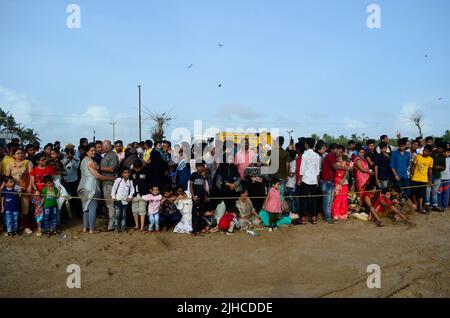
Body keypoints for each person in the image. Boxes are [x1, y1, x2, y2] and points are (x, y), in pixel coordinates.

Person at [77, 143, 115, 234]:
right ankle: (92, 229)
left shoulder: (83, 160)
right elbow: (98, 176)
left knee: (85, 208)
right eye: (91, 150)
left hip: (83, 186)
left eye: (94, 150)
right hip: (91, 187)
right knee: (92, 208)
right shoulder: (91, 161)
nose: (93, 152)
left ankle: (85, 228)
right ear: (87, 152)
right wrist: (111, 178)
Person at [6, 147, 33, 234]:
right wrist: (11, 188)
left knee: (25, 207)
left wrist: (29, 186)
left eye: (21, 153)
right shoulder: (9, 165)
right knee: (14, 208)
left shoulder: (28, 163)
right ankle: (15, 227)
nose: (20, 155)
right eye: (18, 153)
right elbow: (7, 178)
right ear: (13, 155)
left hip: (25, 188)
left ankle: (26, 226)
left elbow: (32, 176)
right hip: (13, 190)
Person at [320, 144, 345, 223]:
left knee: (327, 199)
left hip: (327, 180)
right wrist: (347, 168)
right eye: (338, 150)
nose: (339, 153)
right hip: (328, 181)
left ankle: (327, 215)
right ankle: (328, 217)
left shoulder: (330, 156)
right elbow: (335, 167)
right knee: (328, 200)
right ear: (334, 149)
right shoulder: (330, 156)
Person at [299, 138, 321, 225]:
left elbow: (302, 168)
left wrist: (300, 179)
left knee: (304, 198)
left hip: (305, 179)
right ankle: (314, 218)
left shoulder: (304, 155)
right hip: (314, 179)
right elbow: (317, 169)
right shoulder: (317, 155)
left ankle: (303, 218)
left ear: (307, 145)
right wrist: (317, 180)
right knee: (313, 199)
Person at [99, 140, 119, 231]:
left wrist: (99, 167)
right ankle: (111, 222)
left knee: (110, 204)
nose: (105, 147)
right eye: (104, 145)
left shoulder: (113, 156)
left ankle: (112, 225)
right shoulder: (106, 155)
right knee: (108, 204)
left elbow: (111, 169)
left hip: (110, 183)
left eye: (107, 145)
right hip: (105, 183)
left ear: (110, 146)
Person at [410, 145, 434, 213]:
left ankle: (420, 208)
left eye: (426, 151)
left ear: (430, 152)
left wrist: (429, 180)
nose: (424, 152)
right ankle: (416, 205)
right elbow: (413, 166)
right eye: (424, 150)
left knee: (421, 194)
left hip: (424, 179)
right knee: (413, 193)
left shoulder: (431, 159)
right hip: (415, 178)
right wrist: (412, 175)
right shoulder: (418, 156)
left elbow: (430, 171)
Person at [111, 167, 134, 233]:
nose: (127, 174)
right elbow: (114, 188)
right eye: (125, 173)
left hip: (125, 202)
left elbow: (132, 191)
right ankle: (116, 228)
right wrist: (113, 196)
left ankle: (123, 228)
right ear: (122, 174)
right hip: (118, 200)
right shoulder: (119, 180)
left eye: (128, 172)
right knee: (117, 215)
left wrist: (129, 197)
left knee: (124, 215)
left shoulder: (130, 182)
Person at [130, 159, 150, 231]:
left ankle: (142, 226)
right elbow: (130, 182)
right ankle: (136, 225)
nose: (137, 169)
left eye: (138, 168)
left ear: (141, 166)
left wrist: (148, 192)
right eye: (136, 168)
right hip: (134, 194)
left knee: (142, 210)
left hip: (143, 194)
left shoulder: (146, 171)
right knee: (134, 210)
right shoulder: (132, 172)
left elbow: (148, 182)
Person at [425, 144, 445, 212]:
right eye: (439, 148)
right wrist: (434, 166)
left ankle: (435, 205)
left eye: (441, 149)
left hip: (437, 176)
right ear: (436, 147)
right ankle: (427, 205)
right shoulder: (431, 154)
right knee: (427, 191)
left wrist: (439, 167)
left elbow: (443, 167)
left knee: (435, 191)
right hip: (428, 176)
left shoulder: (442, 157)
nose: (440, 150)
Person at [190, 162, 209, 234]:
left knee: (201, 213)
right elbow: (191, 186)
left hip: (202, 197)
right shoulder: (193, 175)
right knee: (195, 214)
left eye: (202, 166)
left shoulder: (202, 176)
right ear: (196, 167)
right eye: (199, 166)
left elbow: (203, 187)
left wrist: (205, 196)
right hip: (196, 198)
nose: (201, 168)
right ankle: (194, 230)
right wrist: (193, 196)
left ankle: (199, 228)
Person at [331, 154, 350, 221]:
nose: (339, 159)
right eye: (338, 157)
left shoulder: (345, 164)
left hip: (344, 182)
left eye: (340, 158)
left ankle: (343, 215)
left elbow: (347, 172)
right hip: (336, 182)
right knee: (337, 198)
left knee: (344, 198)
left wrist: (343, 179)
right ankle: (336, 214)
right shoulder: (335, 165)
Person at [438, 144, 450, 210]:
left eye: (449, 152)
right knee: (439, 192)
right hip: (440, 178)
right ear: (443, 153)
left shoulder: (449, 159)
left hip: (448, 178)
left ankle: (445, 205)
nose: (449, 153)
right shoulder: (440, 158)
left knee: (446, 192)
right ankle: (439, 205)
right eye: (447, 152)